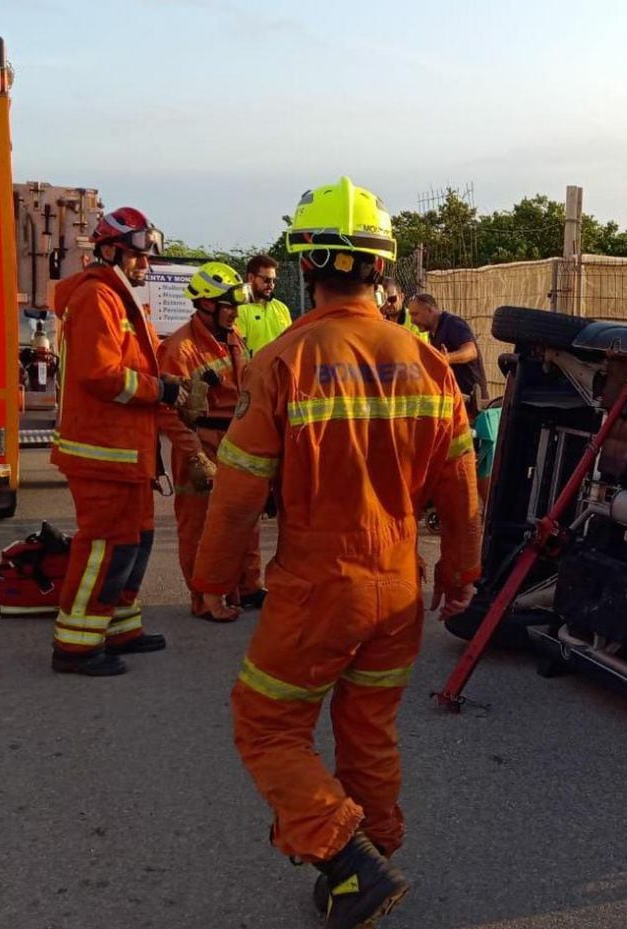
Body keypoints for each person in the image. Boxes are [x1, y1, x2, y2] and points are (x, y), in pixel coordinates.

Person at [191, 177, 481, 928]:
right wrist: (460, 576)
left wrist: (214, 579)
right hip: (398, 588)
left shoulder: (284, 359)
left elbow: (237, 492)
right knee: (369, 726)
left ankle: (347, 857)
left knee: (266, 722)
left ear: (306, 263)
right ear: (381, 268)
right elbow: (462, 494)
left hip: (320, 585)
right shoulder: (428, 362)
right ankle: (371, 859)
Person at [48, 206, 187, 677]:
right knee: (106, 545)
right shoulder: (96, 298)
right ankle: (76, 646)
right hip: (102, 450)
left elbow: (133, 369)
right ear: (109, 251)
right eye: (137, 257)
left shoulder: (119, 297)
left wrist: (162, 384)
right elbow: (102, 375)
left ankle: (118, 626)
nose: (145, 267)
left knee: (136, 541)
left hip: (128, 450)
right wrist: (160, 389)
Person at [157, 261, 266, 621]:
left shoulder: (232, 338)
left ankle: (247, 587)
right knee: (199, 525)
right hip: (199, 441)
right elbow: (167, 411)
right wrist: (192, 457)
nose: (235, 313)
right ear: (206, 304)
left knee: (245, 517)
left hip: (234, 440)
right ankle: (203, 597)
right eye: (228, 305)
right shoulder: (180, 348)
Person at [408, 292, 487, 417]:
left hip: (474, 404)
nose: (412, 320)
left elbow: (471, 351)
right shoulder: (432, 334)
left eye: (415, 314)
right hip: (457, 402)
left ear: (429, 309)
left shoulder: (452, 324)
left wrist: (447, 358)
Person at [235, 254, 292, 356]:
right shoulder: (239, 309)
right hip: (253, 371)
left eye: (273, 280)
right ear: (251, 277)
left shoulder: (282, 308)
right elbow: (238, 353)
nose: (271, 285)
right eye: (267, 280)